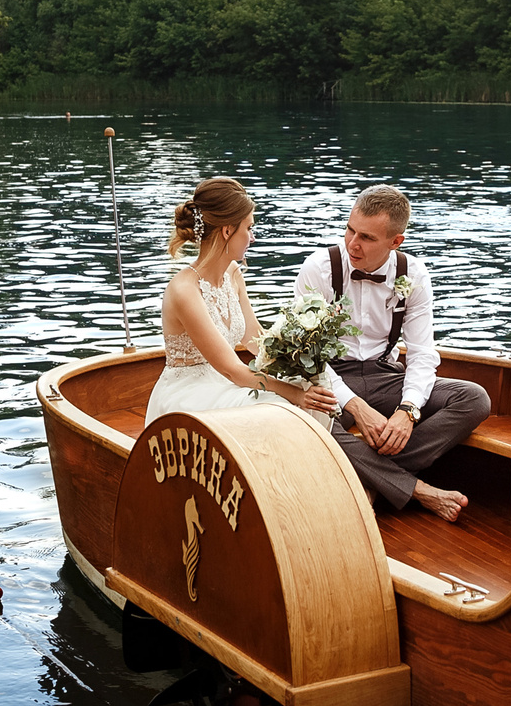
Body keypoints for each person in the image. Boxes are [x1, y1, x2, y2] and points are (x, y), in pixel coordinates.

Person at [293, 185, 490, 522]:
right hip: (330, 379)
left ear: (395, 242)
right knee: (308, 422)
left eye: (367, 237)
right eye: (350, 229)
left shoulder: (413, 274)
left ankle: (371, 478)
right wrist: (355, 406)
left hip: (385, 376)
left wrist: (408, 410)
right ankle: (416, 489)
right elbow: (306, 356)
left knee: (474, 399)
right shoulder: (320, 268)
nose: (352, 243)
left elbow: (422, 353)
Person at [145, 176, 340, 426]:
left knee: (309, 385)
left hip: (223, 382)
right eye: (248, 228)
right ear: (228, 230)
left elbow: (254, 338)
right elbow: (231, 369)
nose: (253, 238)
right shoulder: (185, 290)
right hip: (189, 392)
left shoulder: (233, 274)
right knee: (281, 407)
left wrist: (301, 357)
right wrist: (297, 396)